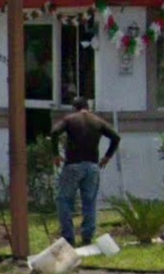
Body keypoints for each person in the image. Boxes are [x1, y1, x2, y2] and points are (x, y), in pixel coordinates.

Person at [50, 97, 121, 246]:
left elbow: (55, 132)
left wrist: (55, 154)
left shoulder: (70, 119)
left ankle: (68, 237)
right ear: (88, 107)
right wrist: (107, 157)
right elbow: (116, 137)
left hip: (73, 165)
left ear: (74, 108)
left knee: (64, 199)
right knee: (89, 202)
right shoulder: (97, 121)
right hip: (92, 166)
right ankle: (87, 237)